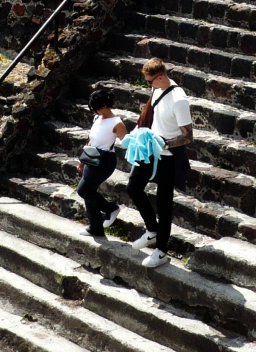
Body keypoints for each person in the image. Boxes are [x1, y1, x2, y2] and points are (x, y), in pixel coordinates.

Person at [127, 58, 192, 269]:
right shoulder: (156, 89)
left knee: (164, 203)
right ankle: (152, 230)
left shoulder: (179, 100)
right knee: (133, 187)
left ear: (161, 77)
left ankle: (162, 250)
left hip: (168, 157)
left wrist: (163, 144)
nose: (148, 85)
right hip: (149, 149)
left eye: (150, 81)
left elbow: (188, 136)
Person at [77, 89, 127, 237]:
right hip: (91, 158)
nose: (94, 111)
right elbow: (91, 140)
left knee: (83, 190)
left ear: (104, 105)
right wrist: (82, 160)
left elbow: (127, 143)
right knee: (89, 192)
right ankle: (96, 228)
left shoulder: (117, 123)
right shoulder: (97, 119)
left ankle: (111, 208)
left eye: (96, 108)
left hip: (105, 161)